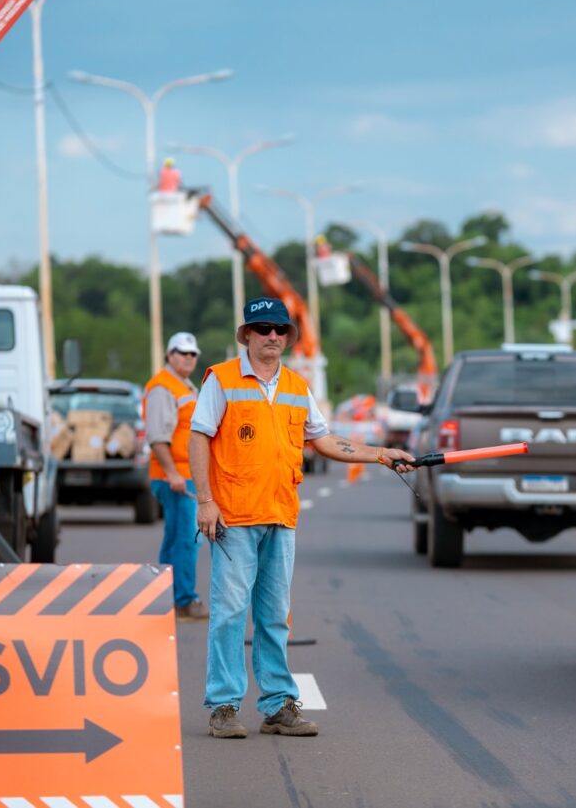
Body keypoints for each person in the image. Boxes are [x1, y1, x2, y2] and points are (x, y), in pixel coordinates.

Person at [189, 297, 415, 739]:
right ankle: (223, 706)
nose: (273, 336)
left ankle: (277, 706)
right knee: (231, 612)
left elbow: (325, 440)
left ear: (287, 337)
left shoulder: (295, 386)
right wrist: (204, 500)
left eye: (280, 329)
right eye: (263, 328)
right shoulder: (222, 380)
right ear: (247, 335)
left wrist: (381, 454)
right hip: (233, 515)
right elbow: (199, 437)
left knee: (274, 615)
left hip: (280, 514)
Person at [144, 331, 206, 620]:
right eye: (182, 352)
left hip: (183, 474)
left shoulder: (185, 387)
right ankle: (184, 600)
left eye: (193, 354)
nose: (188, 358)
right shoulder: (162, 388)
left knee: (174, 539)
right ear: (170, 355)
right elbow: (157, 437)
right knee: (187, 539)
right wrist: (172, 474)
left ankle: (166, 598)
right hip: (176, 477)